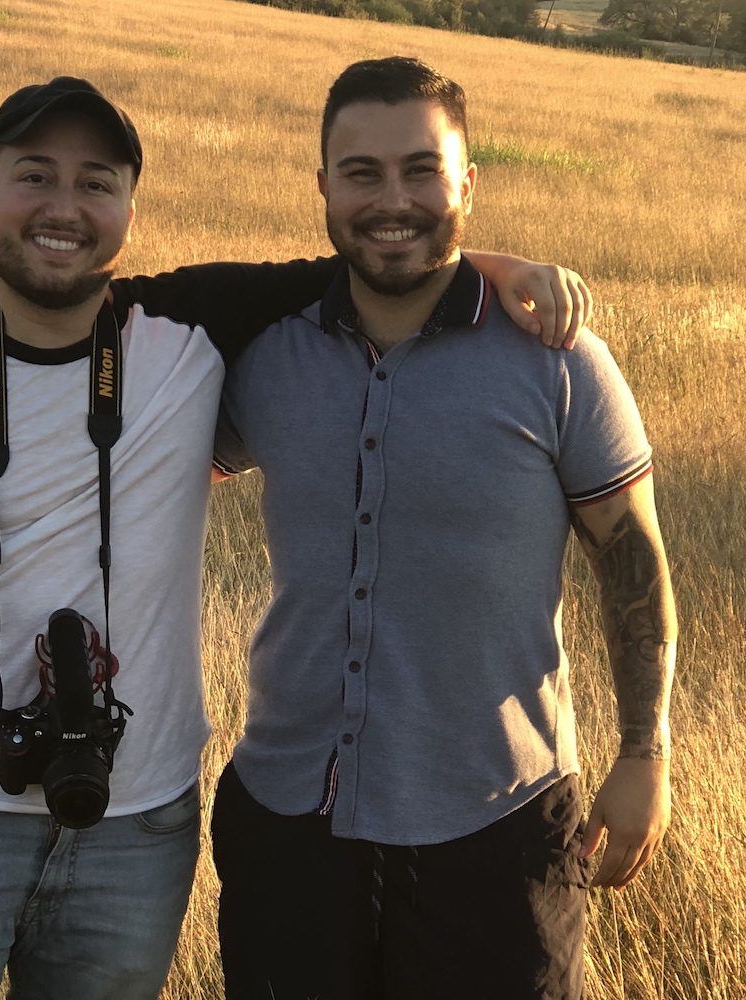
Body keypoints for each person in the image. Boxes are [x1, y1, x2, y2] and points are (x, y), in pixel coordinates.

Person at [0, 75, 590, 1000]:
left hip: (136, 832)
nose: (63, 209)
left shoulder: (187, 329)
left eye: (96, 183)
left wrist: (504, 269)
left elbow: (382, 250)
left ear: (127, 208)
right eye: (34, 177)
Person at [211, 57, 677, 1000]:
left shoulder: (560, 365)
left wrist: (644, 754)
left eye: (422, 169)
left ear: (468, 181)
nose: (393, 199)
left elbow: (632, 566)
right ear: (323, 187)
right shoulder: (264, 354)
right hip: (289, 819)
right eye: (362, 172)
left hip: (496, 830)